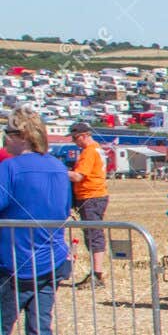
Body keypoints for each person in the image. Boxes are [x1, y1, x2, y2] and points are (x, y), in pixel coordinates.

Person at [0, 108, 72, 335]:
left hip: (12, 262)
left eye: (7, 133)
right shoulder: (58, 168)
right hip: (51, 260)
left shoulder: (9, 168)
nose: (5, 138)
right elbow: (63, 210)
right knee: (40, 329)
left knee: (3, 327)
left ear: (21, 136)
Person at [65, 121, 109, 286]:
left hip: (91, 196)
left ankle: (97, 274)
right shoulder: (96, 149)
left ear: (84, 135)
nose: (74, 142)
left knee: (93, 234)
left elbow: (78, 176)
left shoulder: (89, 152)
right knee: (92, 233)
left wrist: (58, 171)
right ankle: (95, 273)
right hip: (93, 196)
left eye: (75, 138)